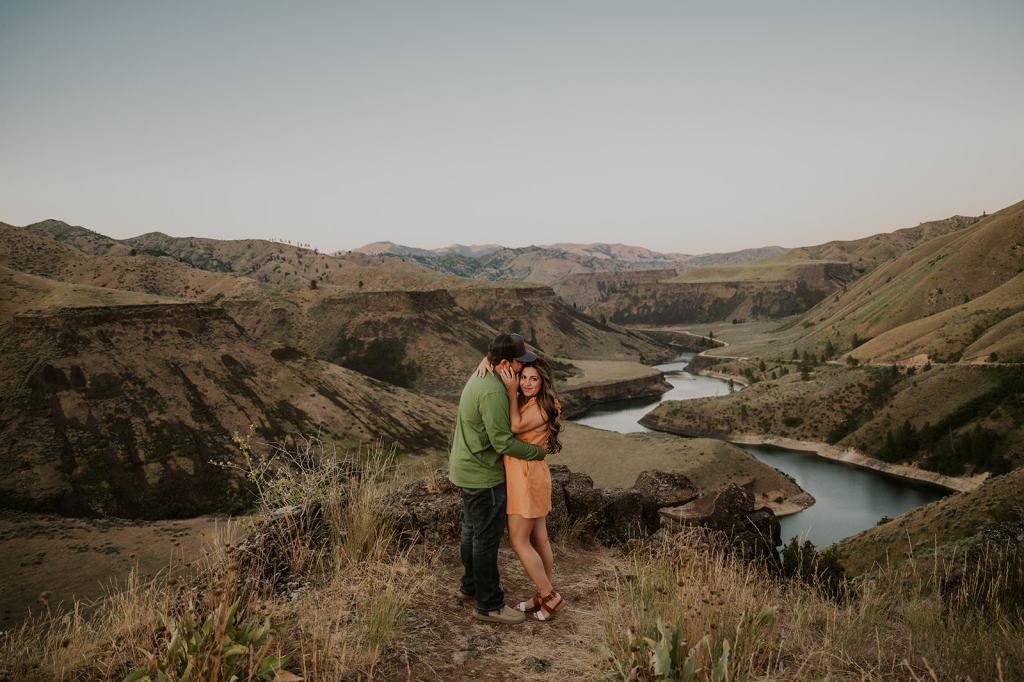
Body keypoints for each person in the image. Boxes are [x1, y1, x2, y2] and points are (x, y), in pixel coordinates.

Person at [449, 333, 549, 624]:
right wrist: (536, 453)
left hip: (465, 467)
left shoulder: (484, 375)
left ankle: (470, 587)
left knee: (470, 530)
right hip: (483, 474)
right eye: (519, 363)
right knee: (485, 539)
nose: (522, 369)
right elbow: (503, 442)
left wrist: (486, 359)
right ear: (505, 363)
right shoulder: (493, 391)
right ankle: (489, 605)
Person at [497, 357, 565, 622]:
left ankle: (550, 596)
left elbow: (514, 427)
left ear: (543, 382)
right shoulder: (535, 403)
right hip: (530, 475)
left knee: (518, 540)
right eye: (523, 377)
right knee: (540, 539)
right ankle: (541, 593)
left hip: (525, 477)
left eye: (532, 379)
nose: (525, 383)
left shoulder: (546, 406)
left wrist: (511, 392)